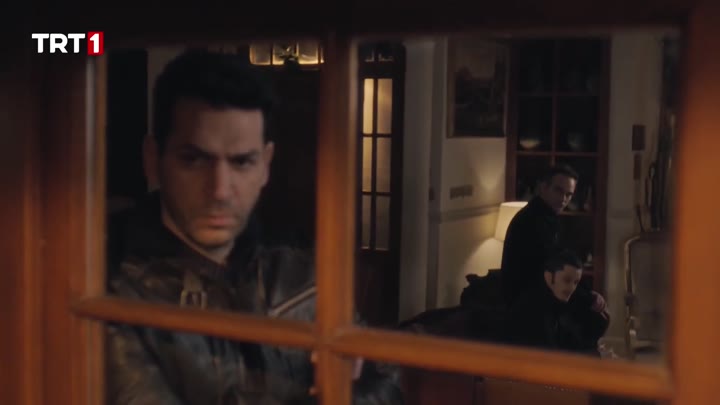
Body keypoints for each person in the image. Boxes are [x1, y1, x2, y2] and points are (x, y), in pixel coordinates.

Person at [105, 50, 402, 405]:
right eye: (194, 160)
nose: (219, 190)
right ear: (153, 159)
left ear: (266, 165)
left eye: (242, 162)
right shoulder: (114, 284)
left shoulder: (299, 267)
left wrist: (356, 390)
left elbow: (385, 384)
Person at [500, 165, 606, 313]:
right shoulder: (533, 220)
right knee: (595, 317)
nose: (563, 199)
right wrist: (588, 298)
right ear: (543, 188)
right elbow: (553, 268)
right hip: (526, 301)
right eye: (558, 191)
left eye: (569, 194)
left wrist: (588, 293)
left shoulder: (547, 216)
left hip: (539, 293)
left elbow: (562, 262)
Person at [504, 249, 609, 355]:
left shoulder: (561, 299)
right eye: (566, 280)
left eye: (576, 282)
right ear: (549, 277)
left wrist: (593, 299)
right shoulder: (532, 308)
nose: (572, 288)